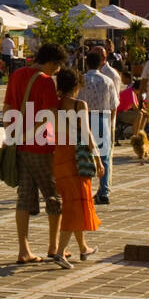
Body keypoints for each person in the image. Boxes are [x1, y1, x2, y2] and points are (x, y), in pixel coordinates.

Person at [3, 43, 68, 265]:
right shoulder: (45, 81)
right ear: (52, 62)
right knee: (53, 196)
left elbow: (7, 108)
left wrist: (14, 134)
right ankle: (54, 246)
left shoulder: (17, 74)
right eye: (58, 66)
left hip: (19, 146)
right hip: (41, 146)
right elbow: (49, 114)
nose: (58, 71)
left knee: (24, 196)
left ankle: (24, 250)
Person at [51, 68, 102, 268]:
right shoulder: (79, 105)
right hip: (76, 157)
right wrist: (98, 158)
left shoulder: (54, 106)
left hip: (59, 156)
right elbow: (87, 133)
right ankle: (60, 252)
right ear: (76, 86)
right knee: (74, 205)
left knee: (75, 201)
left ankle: (83, 247)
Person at [79, 49, 119, 206]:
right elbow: (114, 104)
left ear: (87, 63)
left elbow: (77, 100)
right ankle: (104, 191)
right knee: (104, 156)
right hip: (103, 117)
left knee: (84, 154)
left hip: (85, 118)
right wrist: (110, 121)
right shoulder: (107, 81)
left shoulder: (82, 80)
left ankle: (84, 189)